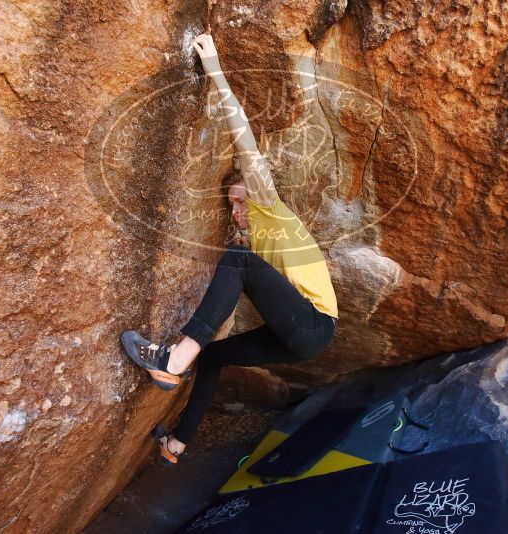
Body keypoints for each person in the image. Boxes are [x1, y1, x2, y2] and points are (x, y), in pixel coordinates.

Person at [120, 32, 338, 465]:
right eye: (231, 206)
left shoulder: (270, 207)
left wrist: (215, 67)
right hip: (296, 337)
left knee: (238, 260)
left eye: (239, 201)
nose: (236, 212)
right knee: (215, 356)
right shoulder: (258, 233)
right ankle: (177, 445)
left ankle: (172, 358)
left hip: (315, 326)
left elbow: (244, 139)